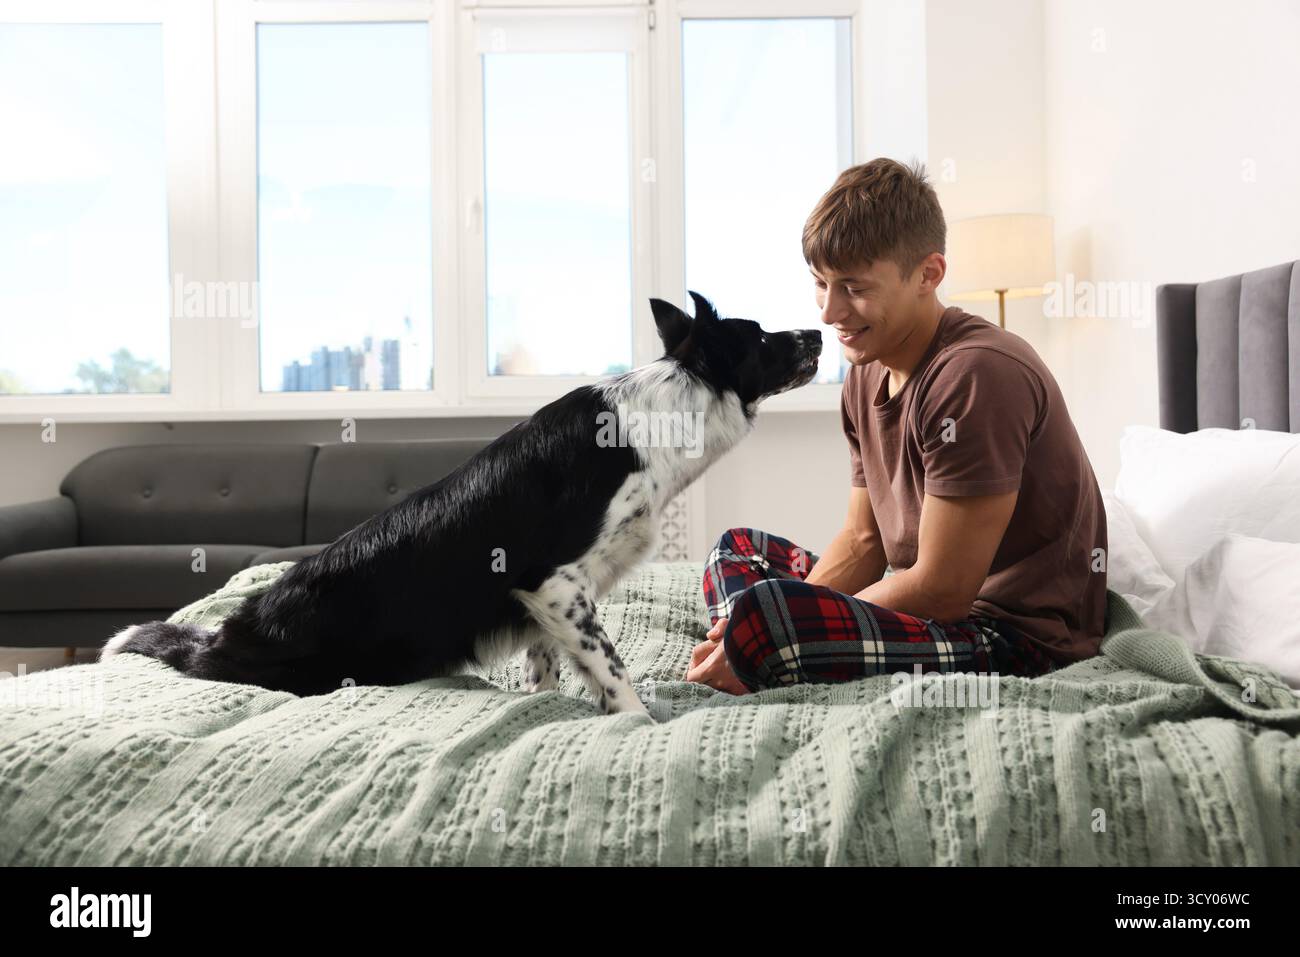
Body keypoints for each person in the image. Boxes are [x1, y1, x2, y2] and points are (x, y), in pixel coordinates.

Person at [686, 158, 1107, 694]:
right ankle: (748, 642)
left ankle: (760, 646)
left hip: (1008, 637)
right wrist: (774, 622)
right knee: (737, 550)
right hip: (929, 611)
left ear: (929, 274)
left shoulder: (978, 374)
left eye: (854, 288)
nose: (829, 312)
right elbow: (865, 541)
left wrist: (786, 620)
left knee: (770, 613)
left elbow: (944, 590)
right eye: (821, 283)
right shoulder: (866, 371)